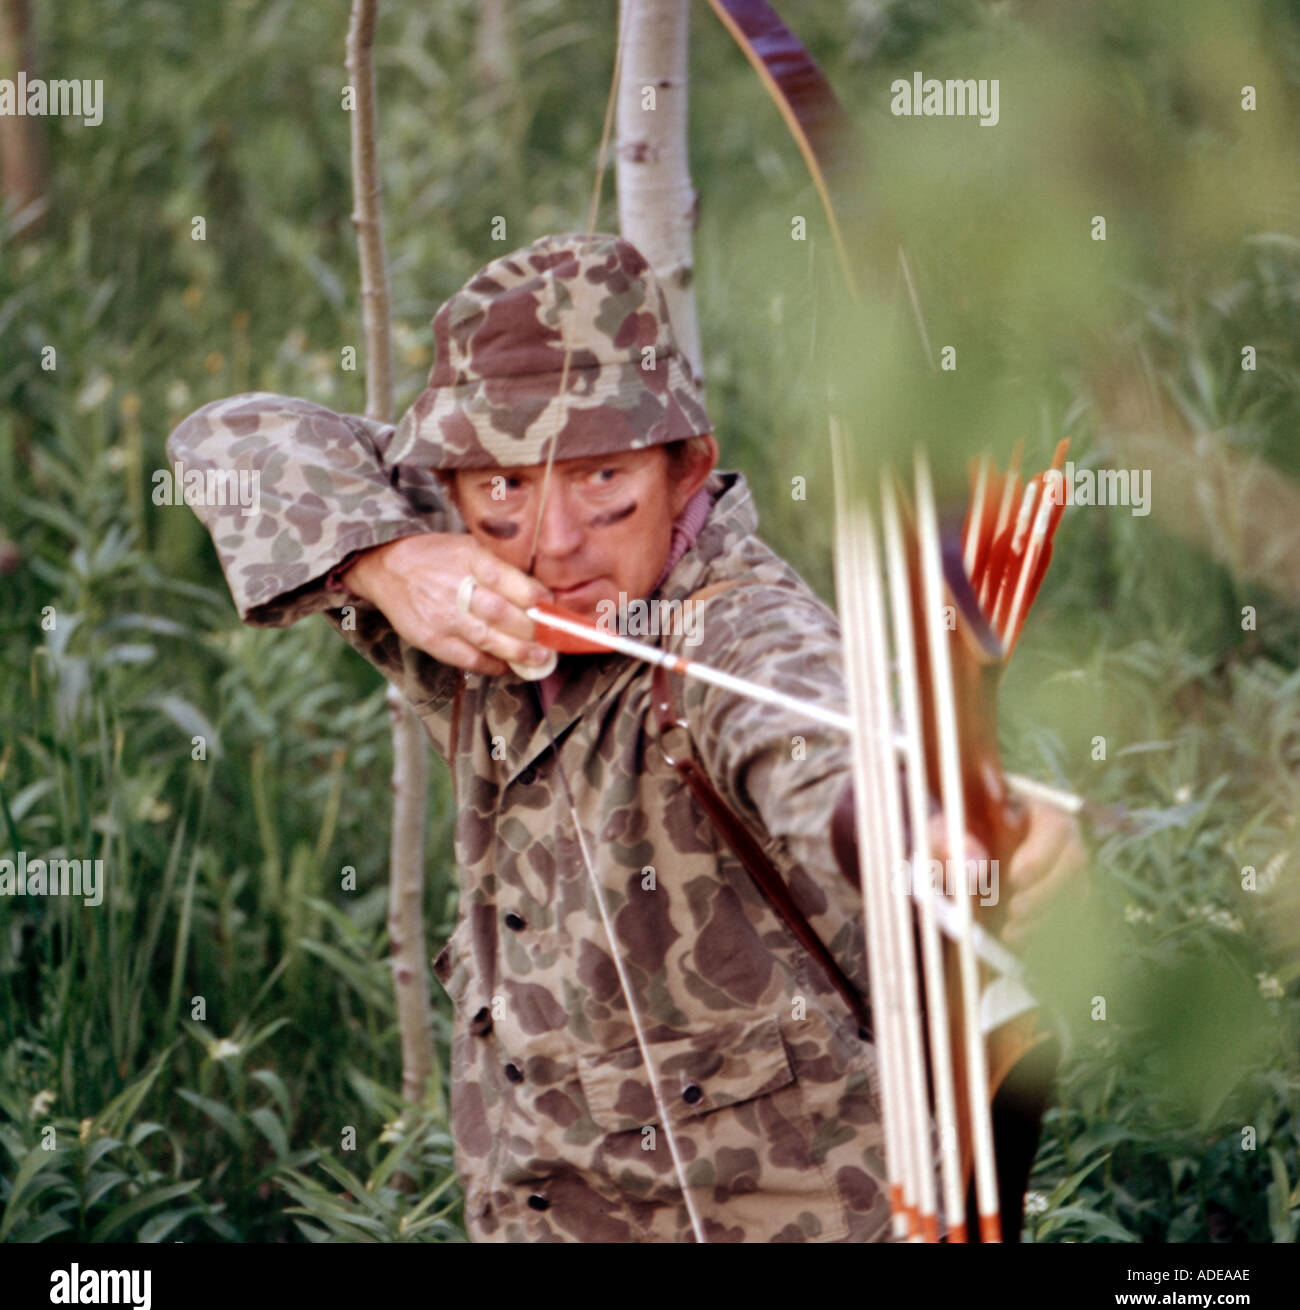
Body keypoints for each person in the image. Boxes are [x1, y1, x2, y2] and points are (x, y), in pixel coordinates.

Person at [168, 231, 1082, 1242]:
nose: (554, 543)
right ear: (456, 487)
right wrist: (390, 562)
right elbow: (226, 437)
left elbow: (807, 738)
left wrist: (927, 828)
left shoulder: (735, 629)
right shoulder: (470, 574)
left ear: (687, 466)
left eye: (603, 476)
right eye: (506, 485)